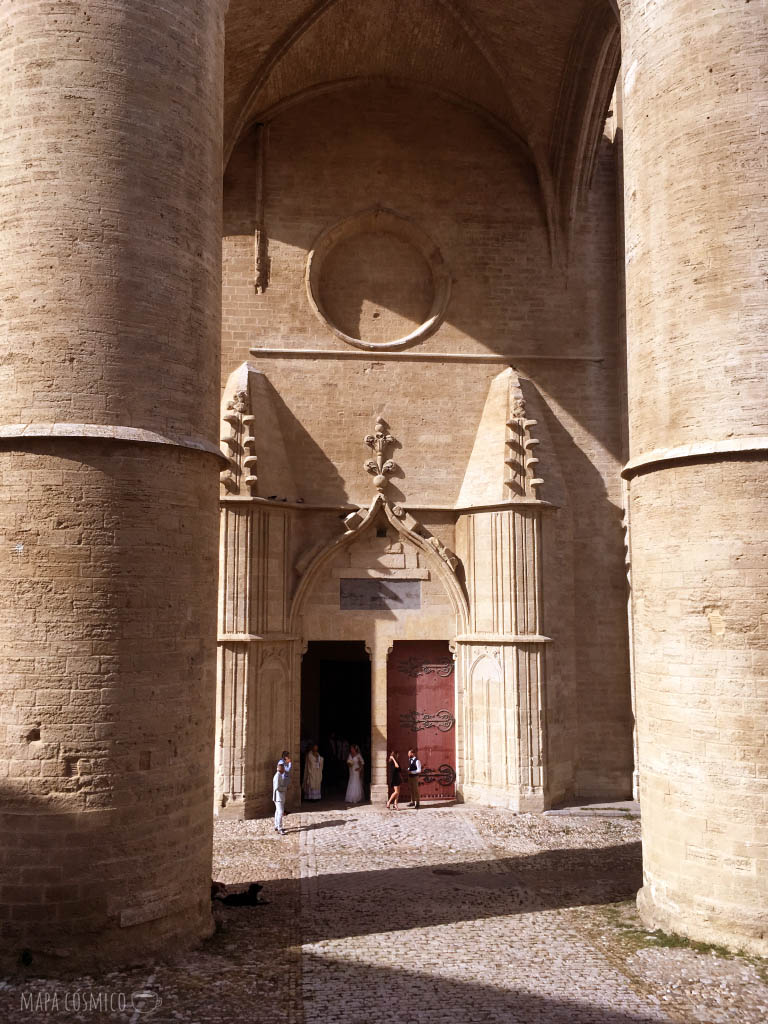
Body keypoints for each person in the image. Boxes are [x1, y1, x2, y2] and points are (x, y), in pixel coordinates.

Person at [273, 761, 289, 834]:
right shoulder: (278, 776)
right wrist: (285, 788)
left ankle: (276, 826)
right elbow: (277, 787)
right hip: (278, 797)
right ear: (280, 769)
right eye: (283, 768)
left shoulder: (279, 775)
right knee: (280, 812)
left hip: (279, 797)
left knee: (277, 811)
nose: (284, 770)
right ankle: (280, 828)